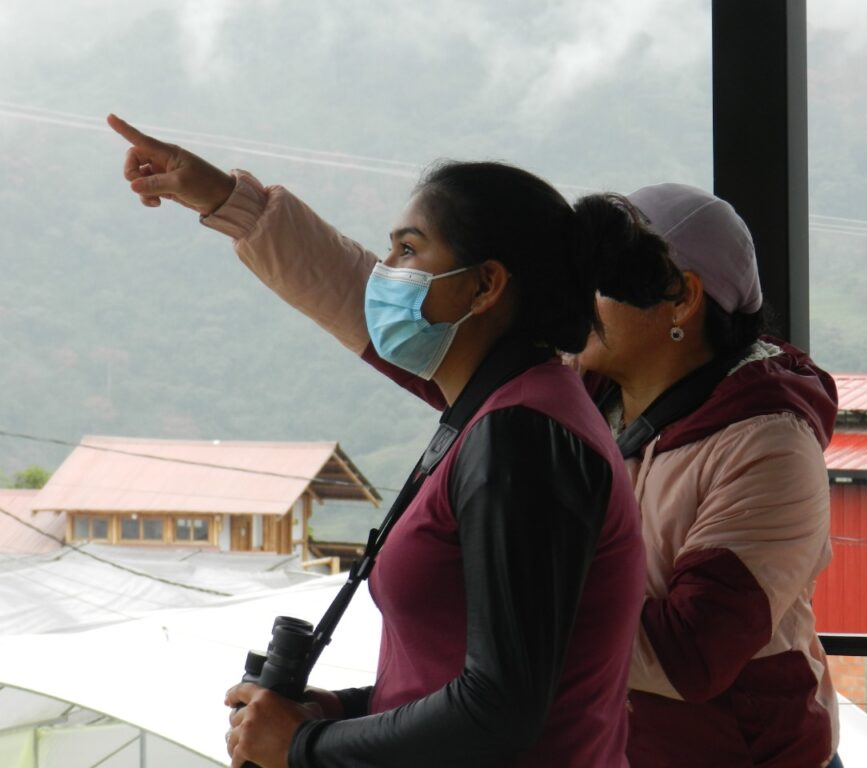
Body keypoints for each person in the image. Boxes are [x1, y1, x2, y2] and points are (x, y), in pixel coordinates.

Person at [107, 115, 646, 768]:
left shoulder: (521, 435)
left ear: (486, 284)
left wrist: (303, 746)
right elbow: (455, 683)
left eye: (409, 251)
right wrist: (334, 714)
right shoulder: (501, 411)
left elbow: (500, 710)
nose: (386, 274)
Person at [577, 184, 841, 768]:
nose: (577, 299)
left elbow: (690, 653)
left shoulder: (768, 443)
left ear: (681, 298)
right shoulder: (586, 400)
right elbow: (446, 354)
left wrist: (510, 608)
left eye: (603, 280)